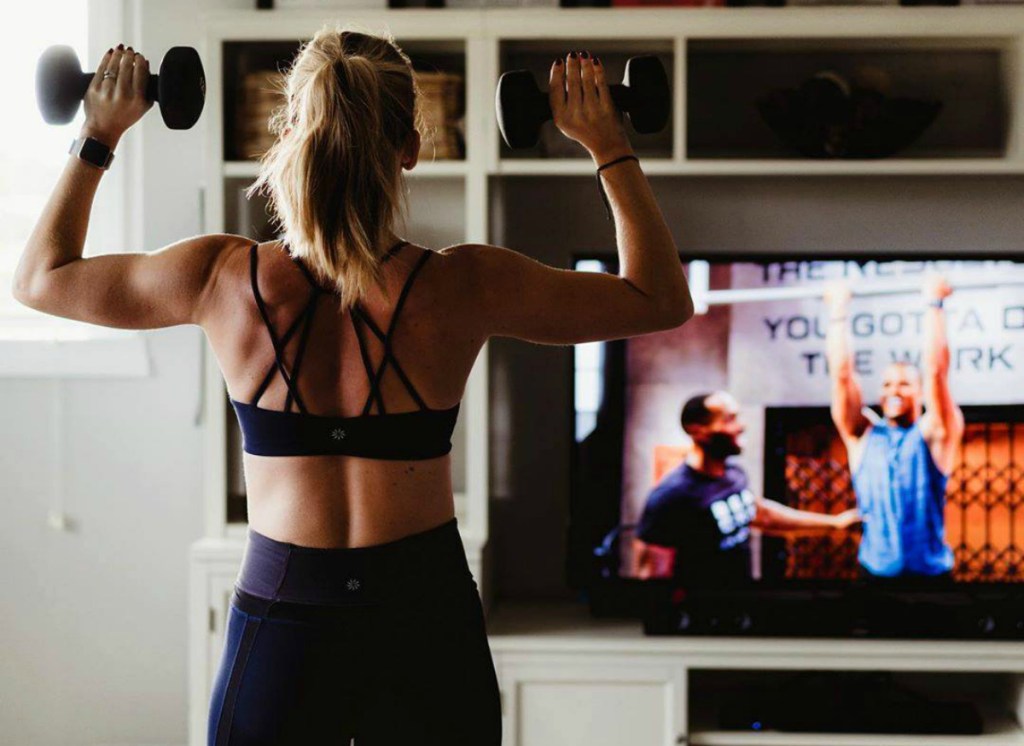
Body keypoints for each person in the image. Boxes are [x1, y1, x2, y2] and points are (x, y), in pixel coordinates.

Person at [13, 28, 693, 744]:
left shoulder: (221, 279)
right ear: (411, 148)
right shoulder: (466, 285)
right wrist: (607, 144)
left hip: (283, 625)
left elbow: (39, 279)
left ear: (286, 136)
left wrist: (98, 132)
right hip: (426, 629)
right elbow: (659, 299)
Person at [635, 391, 860, 586]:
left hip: (738, 597)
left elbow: (763, 516)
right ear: (698, 430)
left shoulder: (733, 474)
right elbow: (652, 571)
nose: (741, 426)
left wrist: (835, 523)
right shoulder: (672, 495)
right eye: (729, 419)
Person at [824, 276, 964, 585]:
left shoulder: (934, 435)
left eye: (904, 383)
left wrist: (934, 304)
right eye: (887, 384)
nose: (893, 390)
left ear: (920, 392)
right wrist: (837, 311)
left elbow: (936, 371)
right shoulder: (862, 435)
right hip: (873, 576)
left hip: (932, 579)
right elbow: (842, 375)